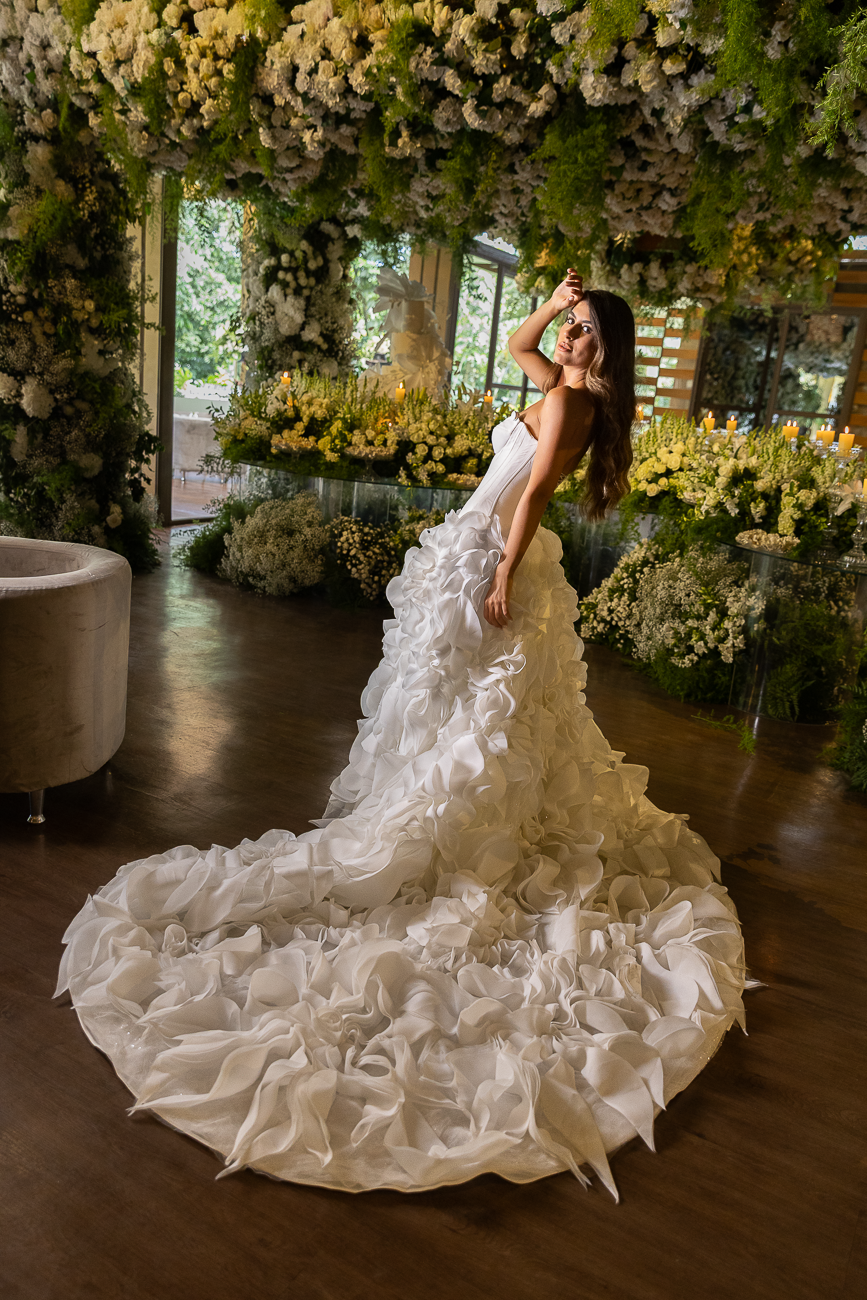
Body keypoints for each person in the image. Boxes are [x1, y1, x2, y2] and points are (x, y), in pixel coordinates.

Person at [57, 272, 746, 1199]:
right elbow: (516, 351)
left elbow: (536, 492)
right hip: (478, 551)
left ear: (609, 355)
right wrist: (546, 299)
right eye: (573, 329)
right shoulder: (556, 384)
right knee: (448, 709)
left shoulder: (571, 404)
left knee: (482, 713)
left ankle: (461, 830)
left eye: (585, 333)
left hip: (493, 560)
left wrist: (500, 576)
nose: (571, 341)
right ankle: (435, 801)